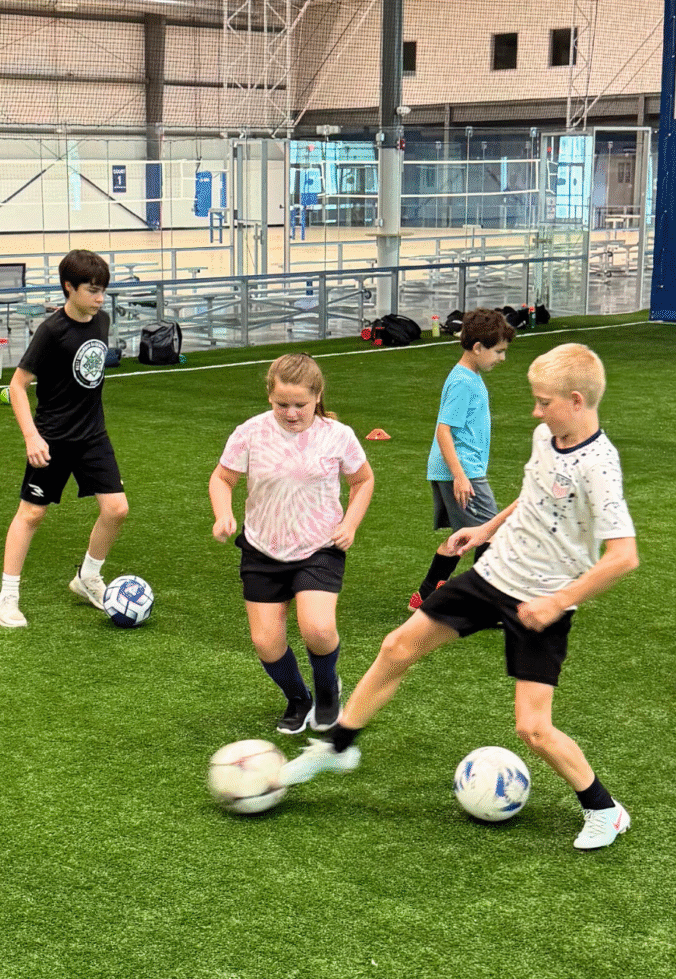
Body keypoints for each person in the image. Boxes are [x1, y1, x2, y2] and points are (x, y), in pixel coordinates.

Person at [281, 343, 638, 851]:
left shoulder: (599, 465)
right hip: (493, 575)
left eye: (543, 402)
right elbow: (534, 496)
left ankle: (604, 809)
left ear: (576, 400)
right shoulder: (547, 436)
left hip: (540, 603)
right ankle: (339, 745)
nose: (535, 411)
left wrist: (556, 604)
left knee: (533, 730)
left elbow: (623, 556)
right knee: (397, 647)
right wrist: (484, 529)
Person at [209, 353, 375, 735]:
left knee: (316, 628)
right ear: (270, 397)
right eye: (282, 404)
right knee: (266, 642)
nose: (291, 413)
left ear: (317, 397)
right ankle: (298, 699)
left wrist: (350, 524)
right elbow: (222, 478)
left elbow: (363, 481)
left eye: (300, 404)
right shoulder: (250, 432)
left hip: (319, 547)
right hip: (262, 548)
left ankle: (327, 688)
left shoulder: (338, 436)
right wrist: (222, 514)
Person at [0, 249, 128, 628]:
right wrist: (31, 437)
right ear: (69, 287)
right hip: (51, 438)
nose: (100, 298)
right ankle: (7, 597)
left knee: (116, 509)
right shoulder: (51, 331)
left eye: (104, 290)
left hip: (93, 436)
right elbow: (17, 387)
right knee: (31, 514)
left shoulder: (101, 320)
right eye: (92, 290)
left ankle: (87, 578)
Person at [408, 308, 516, 612]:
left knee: (461, 537)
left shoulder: (467, 376)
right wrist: (460, 475)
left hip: (457, 470)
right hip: (463, 472)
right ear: (478, 347)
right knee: (489, 534)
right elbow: (443, 430)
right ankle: (485, 603)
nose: (502, 358)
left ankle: (426, 596)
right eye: (498, 352)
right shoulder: (463, 382)